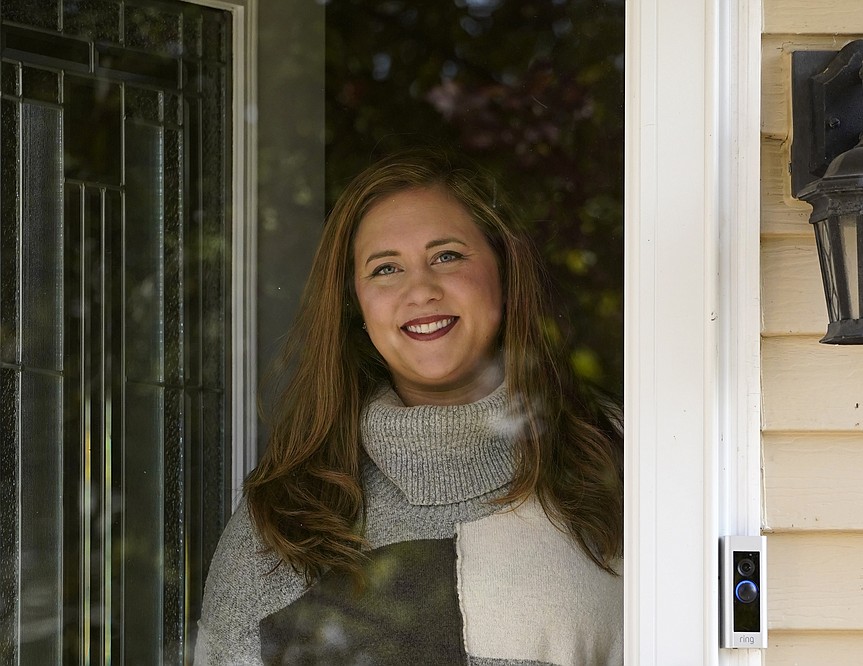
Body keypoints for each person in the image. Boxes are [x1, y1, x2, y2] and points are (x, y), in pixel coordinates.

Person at [195, 148, 624, 665]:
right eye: (386, 268)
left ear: (504, 272)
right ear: (356, 303)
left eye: (447, 256)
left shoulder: (618, 459)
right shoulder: (287, 516)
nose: (420, 289)